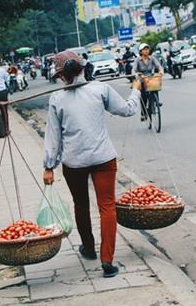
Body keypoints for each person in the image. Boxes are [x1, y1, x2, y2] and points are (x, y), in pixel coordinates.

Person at [43, 50, 141, 278]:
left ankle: (88, 248)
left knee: (81, 204)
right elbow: (127, 109)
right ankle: (107, 259)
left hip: (74, 162)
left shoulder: (57, 98)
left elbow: (53, 137)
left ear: (62, 76)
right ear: (83, 68)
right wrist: (135, 92)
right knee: (107, 206)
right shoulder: (100, 89)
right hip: (103, 158)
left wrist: (49, 166)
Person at [132, 43, 164, 121]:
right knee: (143, 96)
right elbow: (133, 70)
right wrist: (136, 74)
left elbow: (158, 65)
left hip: (150, 78)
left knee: (155, 85)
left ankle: (157, 101)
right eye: (144, 49)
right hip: (142, 79)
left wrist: (161, 71)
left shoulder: (152, 58)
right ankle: (143, 113)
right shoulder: (137, 60)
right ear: (141, 51)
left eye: (147, 49)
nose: (147, 51)